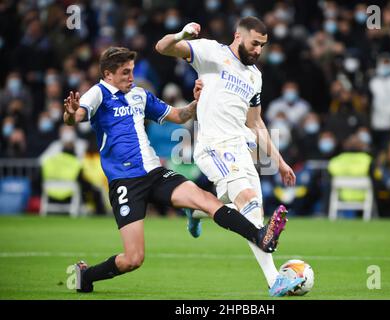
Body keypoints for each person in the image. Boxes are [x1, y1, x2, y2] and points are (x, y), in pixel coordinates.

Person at [63, 46, 295, 296]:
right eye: (125, 72)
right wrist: (70, 112)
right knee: (133, 258)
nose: (132, 77)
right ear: (108, 74)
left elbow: (179, 115)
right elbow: (76, 116)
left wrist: (197, 101)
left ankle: (260, 235)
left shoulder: (140, 95)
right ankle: (86, 275)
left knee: (206, 200)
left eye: (132, 71)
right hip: (125, 183)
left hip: (155, 173)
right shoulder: (97, 93)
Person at [155, 16, 299, 296]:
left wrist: (279, 162)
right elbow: (162, 47)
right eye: (255, 43)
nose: (258, 50)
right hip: (212, 145)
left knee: (249, 209)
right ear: (238, 36)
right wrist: (181, 34)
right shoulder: (211, 52)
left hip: (240, 147)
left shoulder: (255, 76)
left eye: (263, 46)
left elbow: (256, 124)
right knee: (248, 203)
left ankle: (195, 210)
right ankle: (274, 281)